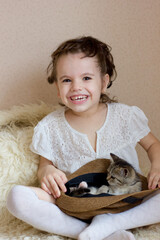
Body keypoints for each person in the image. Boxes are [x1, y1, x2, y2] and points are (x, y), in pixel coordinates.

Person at [6, 36, 160, 240]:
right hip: (77, 204)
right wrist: (48, 171)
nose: (76, 86)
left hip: (125, 200)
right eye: (67, 80)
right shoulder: (50, 127)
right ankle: (90, 232)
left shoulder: (125, 116)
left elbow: (152, 145)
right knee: (16, 197)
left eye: (86, 78)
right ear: (58, 90)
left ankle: (113, 223)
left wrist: (157, 165)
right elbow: (44, 165)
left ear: (104, 82)